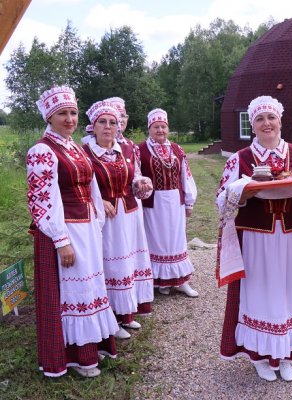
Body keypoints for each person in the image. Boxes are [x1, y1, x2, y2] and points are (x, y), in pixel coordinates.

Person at [216, 95, 292, 382]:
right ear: (253, 125)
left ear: (280, 121)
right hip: (256, 239)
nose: (267, 124)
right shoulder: (239, 159)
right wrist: (244, 192)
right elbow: (221, 201)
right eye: (260, 119)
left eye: (271, 118)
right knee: (261, 293)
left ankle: (288, 352)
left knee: (291, 291)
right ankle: (260, 355)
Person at [26, 86, 119, 378]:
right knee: (72, 291)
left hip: (85, 227)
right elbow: (42, 201)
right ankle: (72, 357)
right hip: (62, 230)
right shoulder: (42, 150)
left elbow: (91, 187)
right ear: (49, 117)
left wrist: (97, 223)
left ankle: (88, 352)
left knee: (89, 288)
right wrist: (61, 240)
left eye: (73, 113)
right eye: (62, 113)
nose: (69, 119)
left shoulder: (74, 147)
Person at [82, 100, 154, 340]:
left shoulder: (123, 150)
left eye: (112, 122)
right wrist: (98, 201)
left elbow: (132, 177)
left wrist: (139, 183)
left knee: (129, 263)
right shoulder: (86, 153)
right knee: (112, 265)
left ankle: (126, 313)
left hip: (129, 214)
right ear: (93, 126)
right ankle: (112, 316)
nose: (108, 127)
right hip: (107, 220)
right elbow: (79, 187)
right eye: (102, 122)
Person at [139, 109, 199, 297]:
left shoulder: (176, 149)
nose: (160, 130)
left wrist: (189, 201)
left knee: (177, 240)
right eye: (156, 127)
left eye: (163, 126)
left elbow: (185, 174)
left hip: (175, 201)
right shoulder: (140, 150)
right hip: (154, 203)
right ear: (149, 128)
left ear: (168, 128)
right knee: (157, 241)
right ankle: (162, 282)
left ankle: (182, 281)